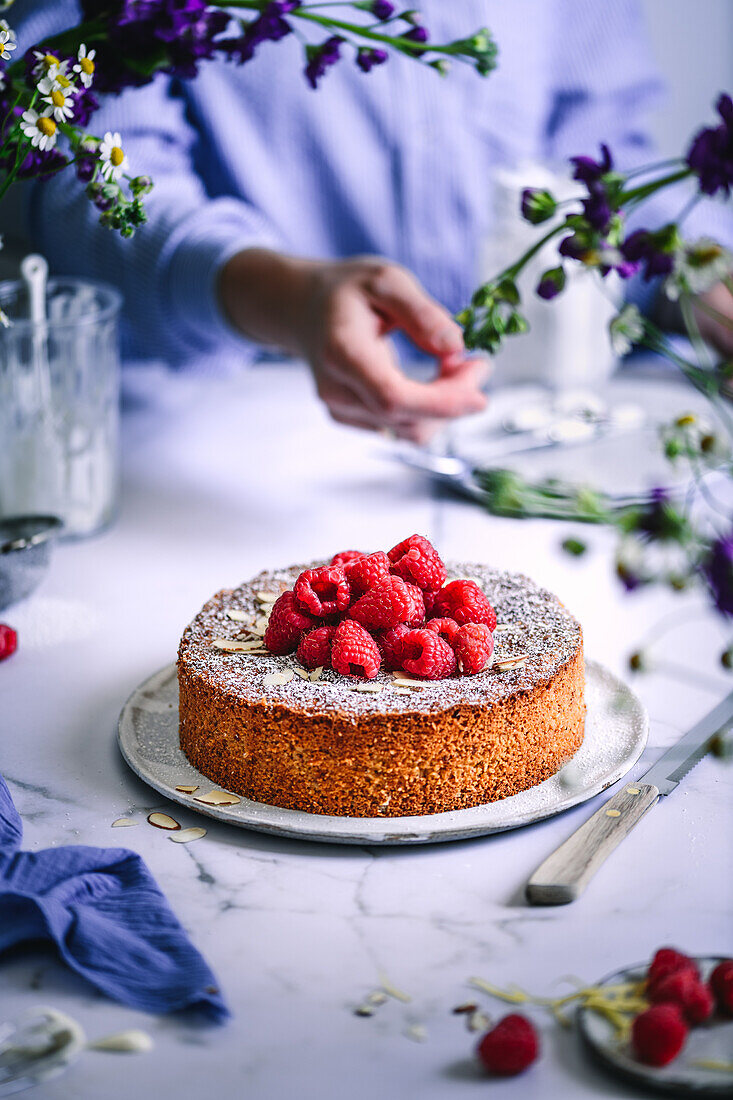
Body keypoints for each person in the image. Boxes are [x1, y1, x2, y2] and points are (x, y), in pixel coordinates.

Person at [17, 1, 733, 441]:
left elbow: (601, 155)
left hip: (528, 429)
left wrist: (699, 280)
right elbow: (88, 166)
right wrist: (285, 298)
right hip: (219, 441)